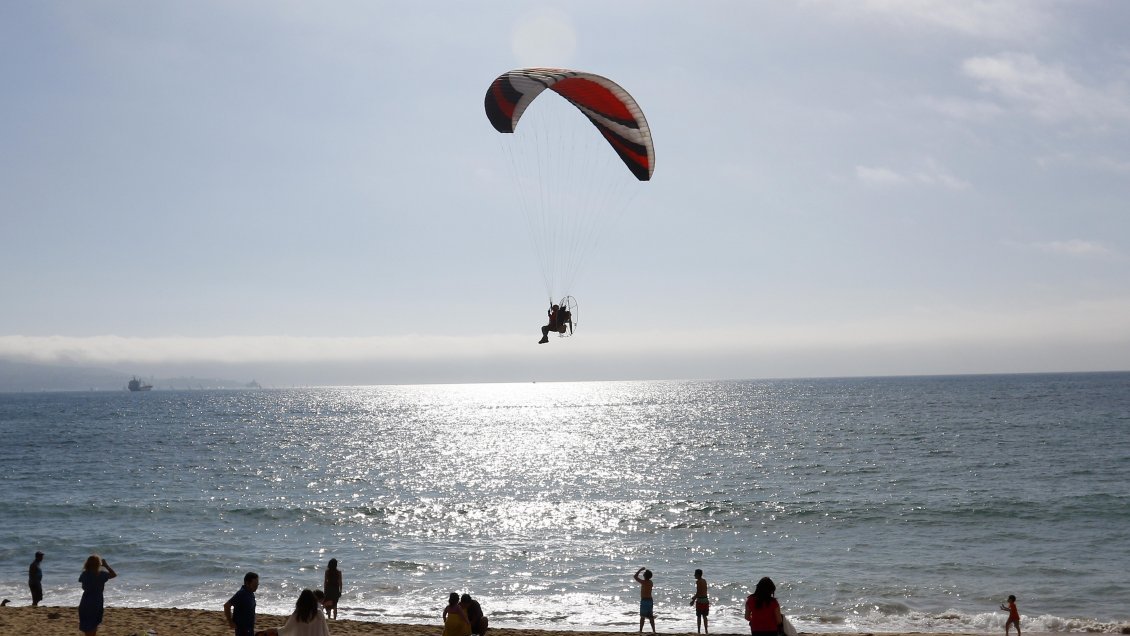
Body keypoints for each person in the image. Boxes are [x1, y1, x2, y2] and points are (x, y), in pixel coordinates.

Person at [256, 588, 330, 636]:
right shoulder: (319, 613)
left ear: (301, 601)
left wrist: (273, 630)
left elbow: (286, 629)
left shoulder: (298, 614)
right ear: (313, 601)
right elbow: (325, 631)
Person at [78, 555, 117, 636]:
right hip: (96, 600)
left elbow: (83, 587)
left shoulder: (84, 574)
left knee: (86, 624)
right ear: (98, 564)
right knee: (94, 623)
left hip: (85, 600)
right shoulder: (101, 574)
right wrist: (106, 565)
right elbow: (114, 574)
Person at [224, 572, 259, 636]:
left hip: (249, 628)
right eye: (255, 585)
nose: (256, 587)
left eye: (257, 584)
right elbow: (226, 606)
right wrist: (230, 622)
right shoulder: (241, 594)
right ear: (247, 583)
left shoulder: (251, 593)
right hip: (242, 629)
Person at [633, 567, 655, 633]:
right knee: (650, 616)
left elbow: (635, 576)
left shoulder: (644, 582)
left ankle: (640, 630)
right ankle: (654, 630)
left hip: (644, 601)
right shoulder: (650, 582)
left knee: (642, 617)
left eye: (644, 573)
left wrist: (640, 570)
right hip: (650, 600)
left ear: (645, 576)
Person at [690, 568, 709, 634]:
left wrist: (693, 600)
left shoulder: (698, 582)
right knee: (705, 616)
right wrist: (695, 597)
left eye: (695, 574)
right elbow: (703, 591)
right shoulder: (704, 581)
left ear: (698, 575)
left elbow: (698, 592)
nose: (694, 575)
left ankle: (699, 631)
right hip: (706, 600)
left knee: (699, 616)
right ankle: (706, 631)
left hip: (700, 601)